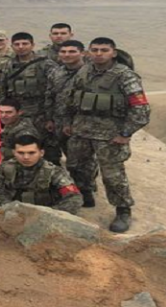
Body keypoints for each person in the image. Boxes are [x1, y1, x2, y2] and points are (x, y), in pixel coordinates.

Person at [64, 37, 150, 233]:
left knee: (113, 175)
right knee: (76, 166)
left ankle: (123, 210)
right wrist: (68, 122)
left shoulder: (125, 76)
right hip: (82, 130)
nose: (99, 53)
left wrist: (125, 133)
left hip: (110, 135)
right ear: (88, 52)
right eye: (94, 50)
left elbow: (141, 110)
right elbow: (71, 98)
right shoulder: (84, 71)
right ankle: (85, 194)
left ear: (113, 53)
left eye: (104, 50)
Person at [0, 135, 82, 218]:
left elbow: (74, 197)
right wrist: (10, 209)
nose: (26, 157)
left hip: (44, 211)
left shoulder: (54, 172)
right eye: (21, 153)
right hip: (13, 208)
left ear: (41, 153)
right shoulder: (3, 168)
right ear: (14, 152)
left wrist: (50, 214)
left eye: (31, 153)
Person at [0, 32, 59, 164]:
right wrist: (3, 113)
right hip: (17, 115)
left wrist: (51, 117)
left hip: (41, 115)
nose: (21, 47)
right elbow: (3, 88)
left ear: (32, 45)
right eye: (17, 44)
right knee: (17, 148)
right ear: (12, 46)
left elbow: (55, 90)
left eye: (25, 43)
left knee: (47, 149)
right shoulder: (9, 64)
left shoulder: (45, 64)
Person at [44, 40, 86, 157]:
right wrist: (49, 119)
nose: (67, 55)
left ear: (82, 53)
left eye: (72, 52)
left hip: (81, 123)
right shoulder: (56, 72)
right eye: (63, 52)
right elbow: (50, 96)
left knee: (81, 159)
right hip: (59, 121)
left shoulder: (90, 73)